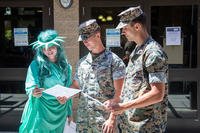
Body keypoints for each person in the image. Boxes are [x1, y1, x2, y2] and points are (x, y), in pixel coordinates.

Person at [105, 6, 168, 133]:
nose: (123, 32)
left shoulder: (153, 53)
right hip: (131, 125)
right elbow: (130, 84)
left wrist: (123, 106)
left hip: (147, 126)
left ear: (137, 27)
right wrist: (116, 107)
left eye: (125, 28)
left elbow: (157, 93)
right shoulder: (137, 49)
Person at [71, 19, 126, 133]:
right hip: (84, 121)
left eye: (87, 38)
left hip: (104, 122)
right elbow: (76, 86)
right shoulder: (82, 62)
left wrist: (112, 119)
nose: (85, 42)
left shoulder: (114, 62)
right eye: (83, 39)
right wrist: (65, 95)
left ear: (98, 35)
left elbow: (120, 94)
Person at [19, 29, 73, 133]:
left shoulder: (66, 66)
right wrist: (34, 92)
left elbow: (68, 90)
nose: (48, 50)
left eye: (51, 46)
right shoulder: (35, 65)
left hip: (60, 110)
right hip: (41, 110)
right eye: (44, 48)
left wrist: (70, 113)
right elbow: (31, 86)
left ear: (58, 46)